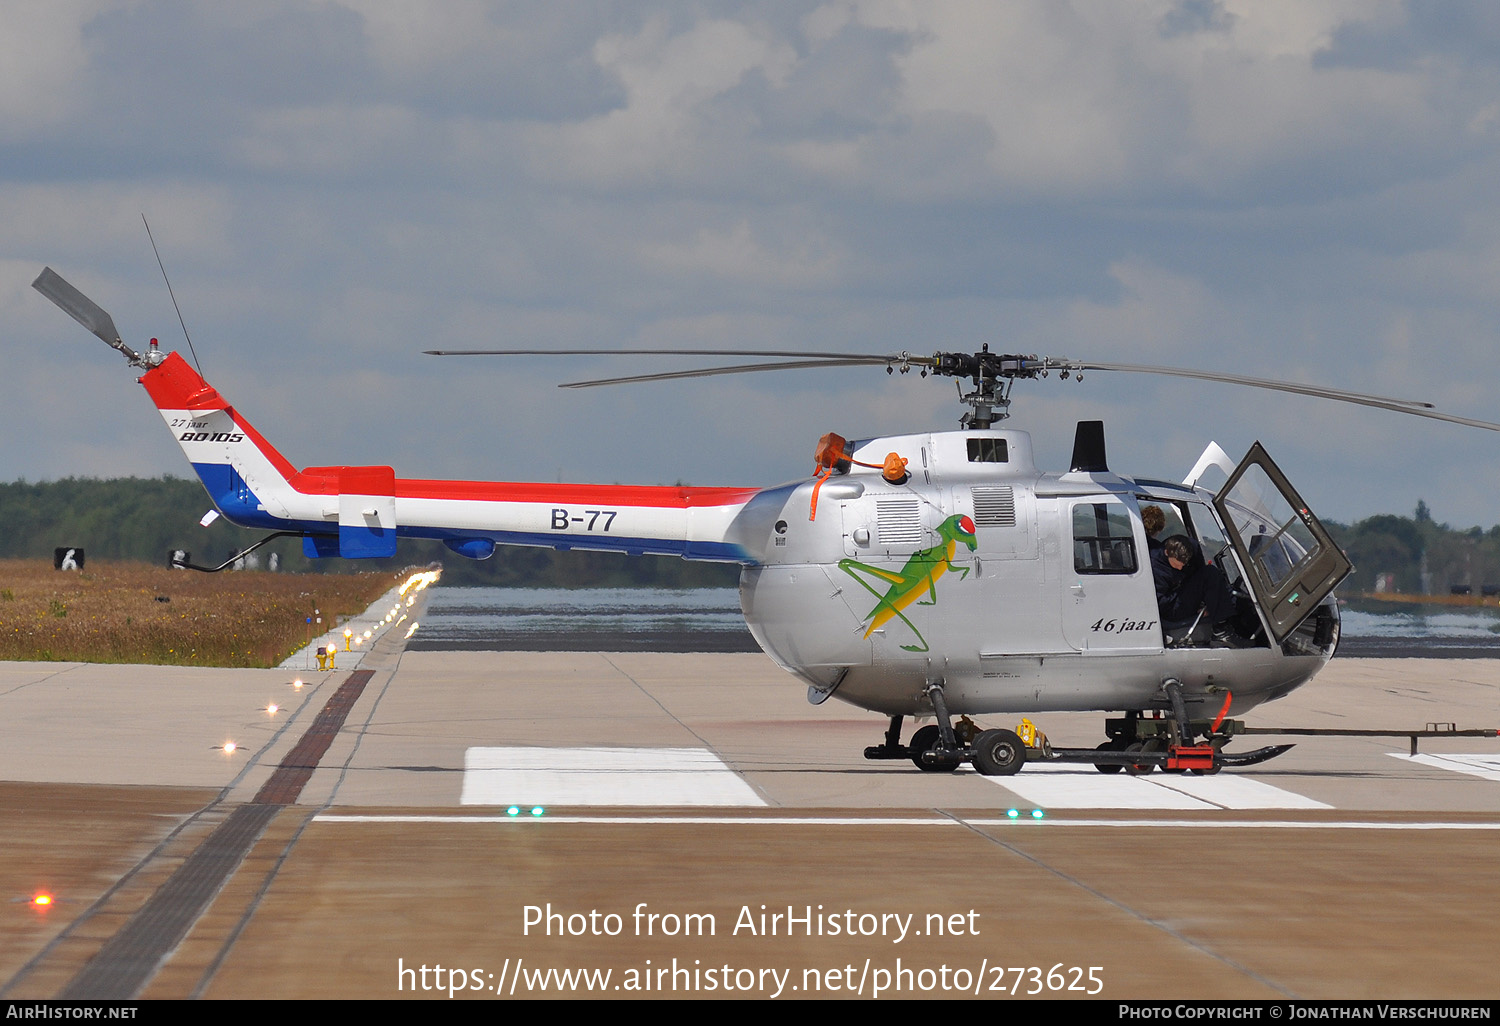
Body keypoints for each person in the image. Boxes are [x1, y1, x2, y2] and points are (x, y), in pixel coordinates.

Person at [1151, 534, 1245, 646]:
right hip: (1171, 605)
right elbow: (1162, 602)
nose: (1180, 568)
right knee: (1210, 573)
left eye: (1183, 565)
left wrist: (1204, 601)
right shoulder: (1155, 566)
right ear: (1167, 553)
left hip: (1185, 590)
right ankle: (1221, 631)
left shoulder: (1193, 548)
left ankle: (1237, 624)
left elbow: (1198, 572)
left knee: (1215, 577)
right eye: (1176, 566)